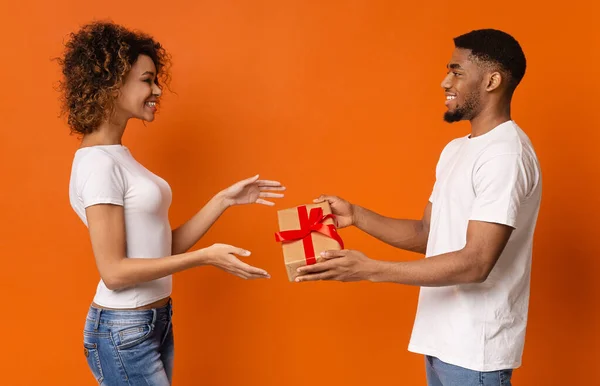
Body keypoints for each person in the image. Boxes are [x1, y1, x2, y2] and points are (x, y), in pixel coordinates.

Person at [296, 29, 541, 386]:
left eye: (457, 71)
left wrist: (370, 269)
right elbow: (428, 234)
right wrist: (356, 216)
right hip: (440, 342)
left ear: (492, 80)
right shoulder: (457, 149)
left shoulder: (505, 154)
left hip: (476, 353)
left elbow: (476, 262)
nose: (445, 82)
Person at [59, 21, 284, 385]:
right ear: (113, 83)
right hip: (123, 331)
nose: (158, 90)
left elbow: (162, 250)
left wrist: (223, 200)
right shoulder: (98, 164)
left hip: (152, 322)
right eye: (147, 80)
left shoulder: (117, 157)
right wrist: (206, 257)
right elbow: (114, 273)